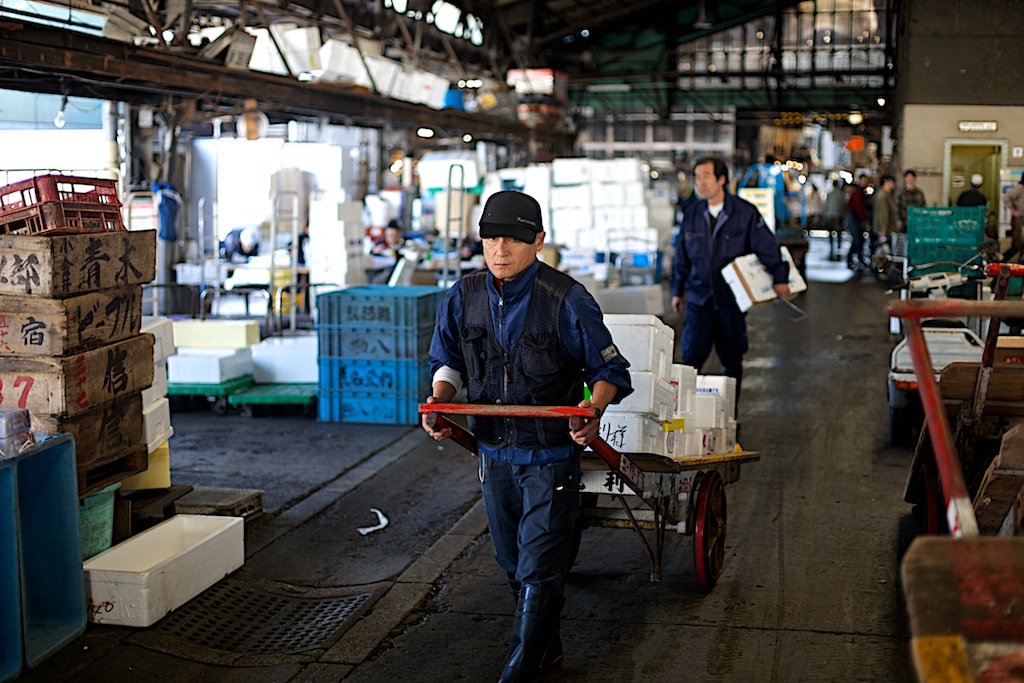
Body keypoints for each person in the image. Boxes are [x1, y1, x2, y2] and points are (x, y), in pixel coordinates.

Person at [422, 190, 633, 683]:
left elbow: (609, 369)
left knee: (539, 563)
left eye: (514, 240)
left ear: (538, 241)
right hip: (492, 454)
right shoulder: (463, 296)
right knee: (512, 560)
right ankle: (548, 647)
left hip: (550, 456)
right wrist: (439, 399)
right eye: (491, 239)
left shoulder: (566, 298)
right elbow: (447, 361)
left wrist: (592, 407)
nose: (500, 250)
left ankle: (519, 668)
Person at [670, 157, 789, 408]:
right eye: (697, 177)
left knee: (733, 363)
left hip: (731, 304)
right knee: (690, 362)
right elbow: (681, 255)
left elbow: (767, 246)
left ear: (721, 179)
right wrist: (677, 291)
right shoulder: (692, 214)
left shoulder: (744, 213)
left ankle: (730, 419)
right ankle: (686, 417)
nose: (700, 183)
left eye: (705, 176)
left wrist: (780, 277)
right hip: (699, 302)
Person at [844, 174, 872, 270]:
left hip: (855, 217)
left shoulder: (862, 193)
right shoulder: (857, 193)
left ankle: (855, 260)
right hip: (853, 217)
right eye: (863, 180)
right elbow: (858, 207)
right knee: (857, 240)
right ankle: (853, 260)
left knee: (858, 239)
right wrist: (865, 219)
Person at [367, 219, 406, 284]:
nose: (392, 238)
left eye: (394, 235)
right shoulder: (380, 245)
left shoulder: (404, 246)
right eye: (389, 235)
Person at [822, 179, 847, 261]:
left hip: (830, 215)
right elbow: (844, 205)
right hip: (838, 215)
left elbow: (826, 205)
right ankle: (839, 244)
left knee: (830, 231)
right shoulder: (842, 195)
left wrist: (825, 215)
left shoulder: (829, 194)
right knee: (839, 231)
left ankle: (831, 244)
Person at [872, 174, 897, 252]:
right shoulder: (882, 196)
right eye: (892, 182)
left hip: (886, 228)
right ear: (886, 182)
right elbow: (883, 213)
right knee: (883, 251)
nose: (893, 184)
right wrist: (883, 229)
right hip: (883, 229)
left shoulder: (888, 195)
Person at [1002, 176, 1024, 261]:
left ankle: (1020, 264)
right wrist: (1014, 211)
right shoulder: (1020, 188)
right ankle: (1003, 259)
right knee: (1018, 244)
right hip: (1019, 219)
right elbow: (1006, 197)